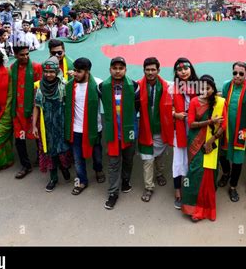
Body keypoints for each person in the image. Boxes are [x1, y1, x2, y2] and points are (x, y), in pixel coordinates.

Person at [182, 75, 226, 222]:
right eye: (202, 88)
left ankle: (205, 209)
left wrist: (211, 141)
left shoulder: (220, 103)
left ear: (213, 89)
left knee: (209, 174)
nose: (205, 91)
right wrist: (210, 121)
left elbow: (224, 125)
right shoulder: (195, 101)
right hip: (195, 141)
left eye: (208, 88)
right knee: (195, 172)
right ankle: (192, 207)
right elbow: (191, 124)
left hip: (212, 143)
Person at [218, 62, 246, 202]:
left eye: (241, 73)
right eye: (235, 73)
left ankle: (233, 186)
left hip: (241, 132)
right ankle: (226, 173)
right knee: (222, 154)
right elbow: (222, 103)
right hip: (225, 130)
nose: (237, 76)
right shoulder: (226, 85)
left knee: (237, 160)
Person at [100, 57, 140, 209]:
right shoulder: (102, 87)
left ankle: (125, 181)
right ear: (110, 69)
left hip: (129, 132)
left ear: (125, 70)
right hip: (112, 133)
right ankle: (113, 193)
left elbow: (137, 108)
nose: (117, 71)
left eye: (121, 68)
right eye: (114, 68)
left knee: (128, 159)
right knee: (113, 164)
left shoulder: (134, 86)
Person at [64, 57, 105, 195]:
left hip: (94, 129)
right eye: (74, 70)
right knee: (77, 158)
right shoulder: (69, 85)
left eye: (79, 71)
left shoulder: (98, 84)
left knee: (97, 155)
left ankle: (98, 170)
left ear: (87, 71)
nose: (75, 73)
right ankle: (82, 181)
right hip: (75, 130)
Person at [33, 57, 72, 192]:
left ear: (57, 72)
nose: (49, 74)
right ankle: (53, 178)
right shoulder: (39, 87)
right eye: (46, 72)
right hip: (47, 125)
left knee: (63, 149)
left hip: (61, 124)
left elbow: (70, 106)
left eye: (52, 72)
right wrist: (34, 126)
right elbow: (37, 107)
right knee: (50, 151)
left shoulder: (64, 85)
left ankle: (64, 168)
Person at [137, 57, 174, 202]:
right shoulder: (138, 86)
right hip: (145, 129)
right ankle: (149, 187)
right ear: (144, 70)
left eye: (153, 69)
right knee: (148, 159)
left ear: (158, 70)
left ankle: (159, 174)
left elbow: (186, 90)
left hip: (161, 128)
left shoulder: (167, 86)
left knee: (160, 156)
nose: (150, 72)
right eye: (148, 70)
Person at [11, 45, 43, 179]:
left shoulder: (36, 67)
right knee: (20, 139)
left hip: (32, 109)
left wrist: (37, 107)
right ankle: (25, 165)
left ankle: (41, 159)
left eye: (27, 54)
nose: (25, 57)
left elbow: (40, 88)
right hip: (17, 110)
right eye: (22, 55)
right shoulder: (13, 68)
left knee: (37, 136)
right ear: (16, 55)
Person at [171, 58, 199, 208]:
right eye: (179, 70)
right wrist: (175, 114)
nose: (183, 72)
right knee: (179, 160)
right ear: (176, 72)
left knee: (193, 160)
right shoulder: (172, 87)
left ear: (191, 69)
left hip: (196, 129)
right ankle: (178, 192)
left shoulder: (200, 86)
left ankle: (191, 189)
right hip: (180, 129)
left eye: (185, 68)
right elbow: (166, 108)